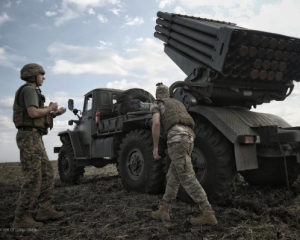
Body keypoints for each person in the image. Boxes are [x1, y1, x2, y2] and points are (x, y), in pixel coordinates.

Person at [150, 83, 218, 226]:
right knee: (173, 176)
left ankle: (207, 213)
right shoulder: (176, 103)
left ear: (157, 95)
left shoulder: (157, 104)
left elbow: (156, 124)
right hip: (189, 137)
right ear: (168, 94)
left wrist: (155, 148)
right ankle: (164, 209)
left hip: (176, 139)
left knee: (187, 177)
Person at [11, 63, 66, 228]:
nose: (44, 77)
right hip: (29, 136)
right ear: (32, 76)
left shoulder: (33, 91)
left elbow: (37, 116)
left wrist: (53, 113)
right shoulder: (29, 90)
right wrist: (50, 107)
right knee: (34, 177)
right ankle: (20, 218)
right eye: (41, 75)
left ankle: (45, 209)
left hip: (34, 136)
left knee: (47, 173)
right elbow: (33, 113)